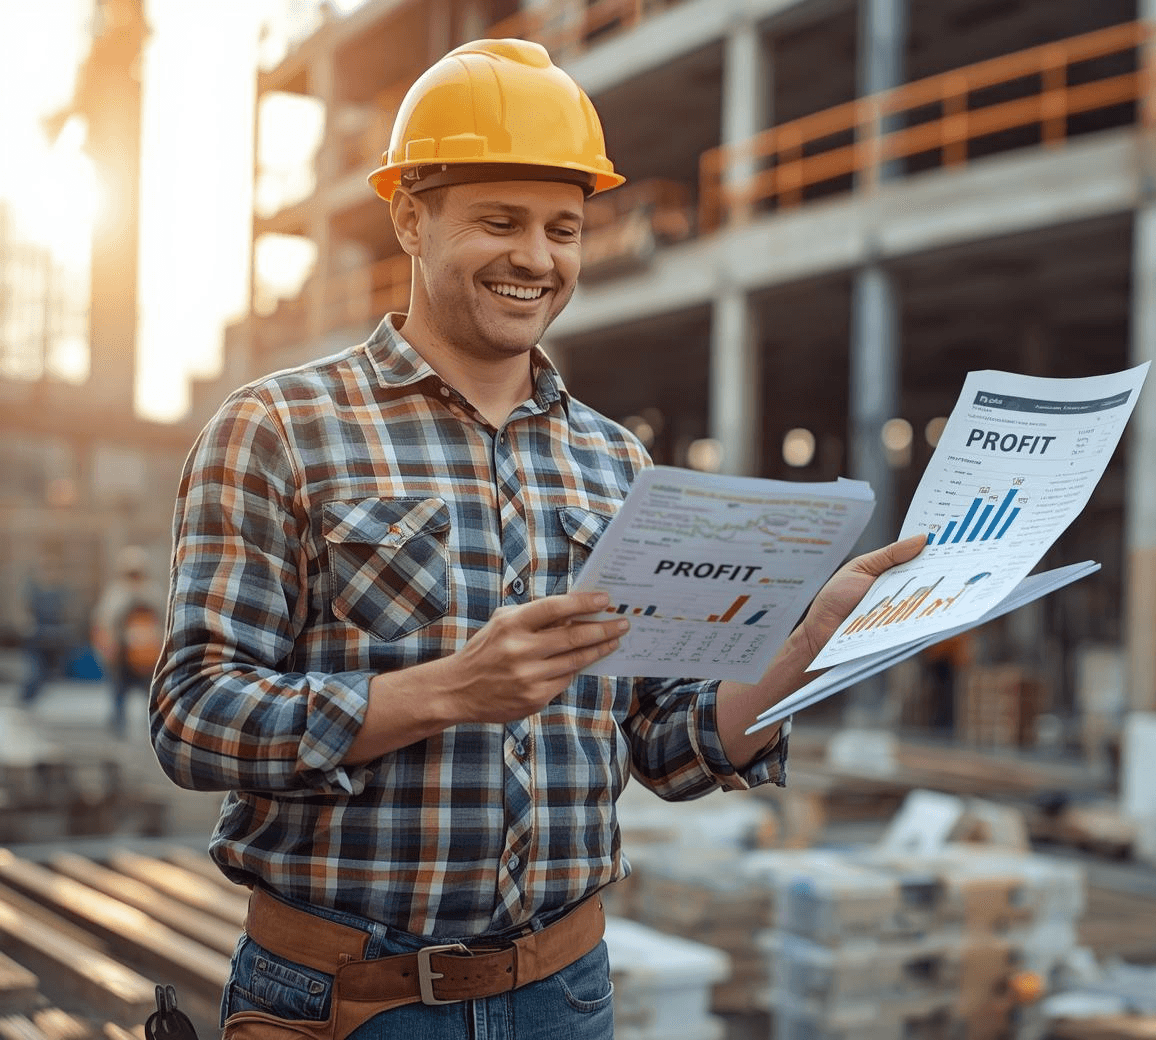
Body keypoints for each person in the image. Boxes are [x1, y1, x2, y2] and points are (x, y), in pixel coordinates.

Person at [151, 39, 925, 1040]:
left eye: (564, 227)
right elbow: (193, 717)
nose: (538, 257)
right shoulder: (280, 428)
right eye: (499, 221)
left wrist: (808, 641)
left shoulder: (617, 463)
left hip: (564, 993)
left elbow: (668, 742)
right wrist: (446, 692)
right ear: (410, 218)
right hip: (346, 1002)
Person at [91, 545, 163, 735]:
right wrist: (108, 651)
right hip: (122, 656)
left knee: (152, 698)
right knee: (119, 696)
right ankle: (117, 730)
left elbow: (163, 623)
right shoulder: (117, 593)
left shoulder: (153, 592)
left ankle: (156, 733)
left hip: (147, 658)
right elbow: (104, 623)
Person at [19, 554, 70, 708]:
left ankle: (28, 703)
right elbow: (24, 614)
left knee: (47, 676)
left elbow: (68, 615)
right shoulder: (32, 591)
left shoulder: (61, 592)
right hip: (36, 640)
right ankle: (24, 702)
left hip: (54, 642)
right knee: (35, 674)